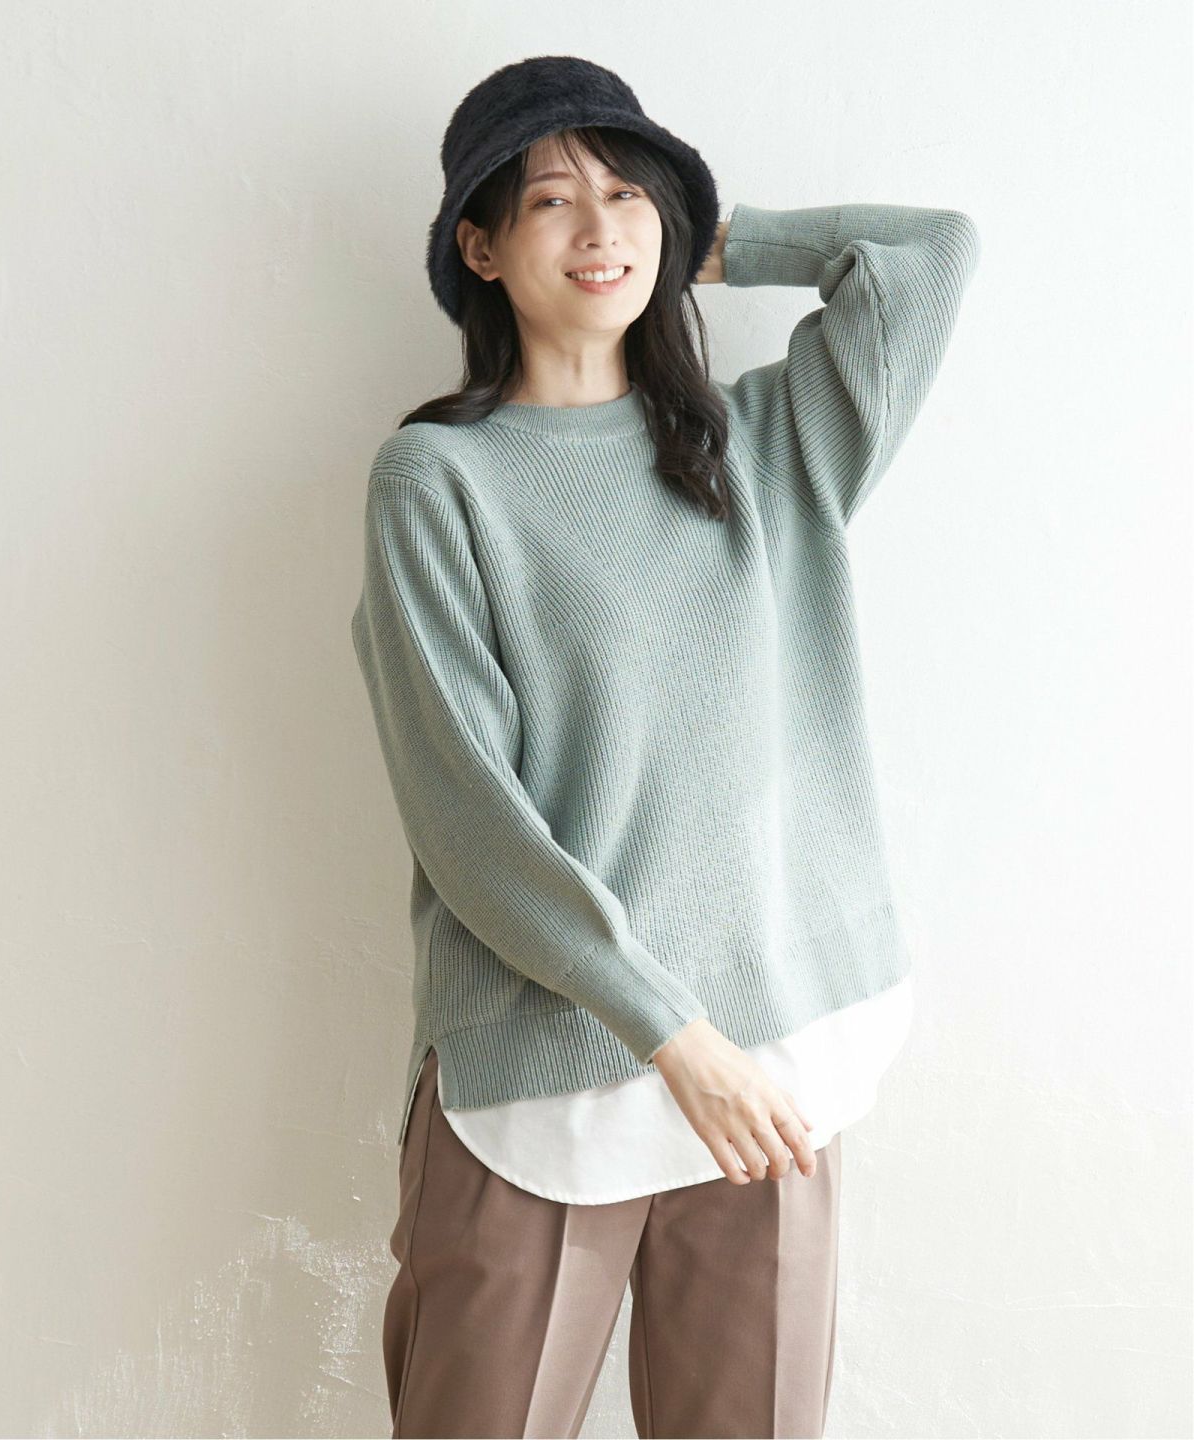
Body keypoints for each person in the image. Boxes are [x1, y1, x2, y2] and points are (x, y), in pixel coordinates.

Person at [351, 54, 980, 1440]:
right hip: (547, 1069)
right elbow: (469, 820)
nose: (601, 229)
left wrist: (718, 238)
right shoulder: (440, 482)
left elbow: (931, 254)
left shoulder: (767, 444)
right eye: (553, 200)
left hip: (772, 1061)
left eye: (630, 195)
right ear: (480, 246)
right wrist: (674, 1038)